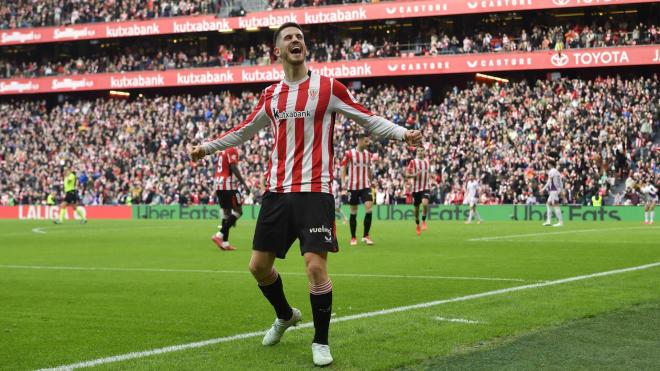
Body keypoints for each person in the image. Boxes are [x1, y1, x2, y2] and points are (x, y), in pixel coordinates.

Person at [189, 22, 422, 367]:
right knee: (258, 266)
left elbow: (367, 119)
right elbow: (243, 132)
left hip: (315, 191)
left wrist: (403, 134)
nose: (296, 40)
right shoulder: (271, 95)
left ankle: (321, 341)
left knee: (315, 267)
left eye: (299, 36)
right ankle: (285, 315)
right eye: (288, 38)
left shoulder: (328, 88)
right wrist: (206, 148)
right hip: (277, 191)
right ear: (277, 51)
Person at [211, 147, 248, 251]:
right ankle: (219, 235)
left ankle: (225, 243)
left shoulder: (222, 151)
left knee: (227, 214)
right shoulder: (231, 149)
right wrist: (244, 184)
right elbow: (233, 167)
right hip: (228, 185)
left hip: (218, 185)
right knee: (238, 211)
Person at [341, 135, 375, 245]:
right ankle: (353, 237)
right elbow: (343, 167)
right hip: (353, 187)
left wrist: (371, 181)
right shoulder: (349, 153)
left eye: (368, 142)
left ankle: (366, 236)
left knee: (369, 209)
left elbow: (369, 169)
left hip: (365, 186)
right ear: (359, 141)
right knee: (353, 212)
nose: (367, 143)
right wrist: (343, 182)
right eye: (366, 141)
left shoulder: (369, 155)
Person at [405, 147, 431, 235]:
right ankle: (417, 224)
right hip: (416, 189)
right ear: (416, 152)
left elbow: (429, 172)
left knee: (425, 203)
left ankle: (423, 221)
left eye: (421, 151)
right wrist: (414, 175)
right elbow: (407, 174)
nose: (420, 152)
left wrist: (432, 177)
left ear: (424, 152)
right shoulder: (413, 162)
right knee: (416, 210)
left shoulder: (427, 161)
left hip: (425, 187)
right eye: (418, 151)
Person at [542, 160, 563, 227]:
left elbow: (549, 181)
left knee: (556, 205)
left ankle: (560, 222)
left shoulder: (552, 171)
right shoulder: (557, 171)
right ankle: (549, 221)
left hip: (554, 190)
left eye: (548, 164)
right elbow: (561, 182)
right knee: (548, 204)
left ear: (551, 164)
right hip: (555, 190)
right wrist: (561, 189)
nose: (547, 165)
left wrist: (543, 189)